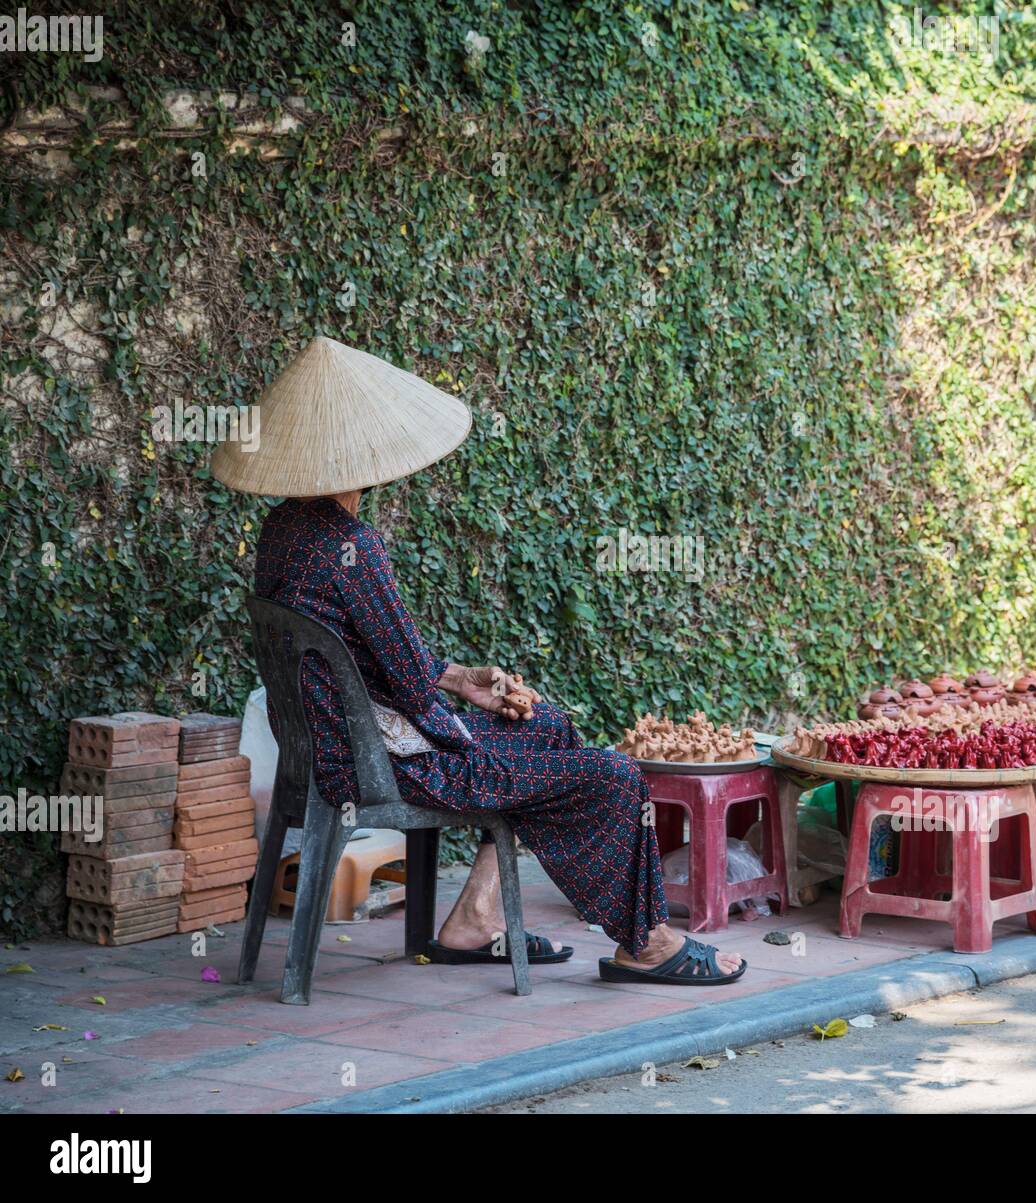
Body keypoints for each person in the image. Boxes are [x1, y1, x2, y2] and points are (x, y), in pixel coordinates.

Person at [212, 336, 744, 985]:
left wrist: (465, 681)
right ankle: (648, 941)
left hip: (329, 748)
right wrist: (457, 707)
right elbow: (407, 678)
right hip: (386, 767)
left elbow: (374, 657)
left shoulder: (281, 533)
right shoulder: (353, 545)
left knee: (543, 728)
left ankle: (473, 919)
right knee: (612, 776)